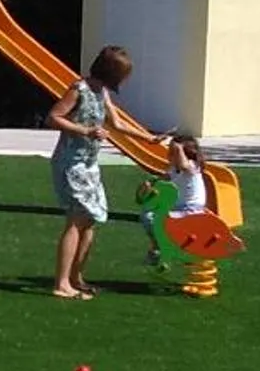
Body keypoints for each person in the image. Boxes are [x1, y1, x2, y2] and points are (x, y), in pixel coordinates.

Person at [47, 45, 145, 299]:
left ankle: (75, 277)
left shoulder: (102, 91)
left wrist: (148, 138)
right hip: (71, 163)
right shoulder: (78, 89)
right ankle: (61, 283)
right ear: (112, 72)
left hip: (89, 164)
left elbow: (117, 123)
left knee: (91, 219)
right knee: (77, 219)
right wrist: (86, 131)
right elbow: (54, 117)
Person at [138, 132, 209, 268]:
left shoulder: (193, 166)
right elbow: (163, 179)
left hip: (191, 210)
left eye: (173, 152)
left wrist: (178, 148)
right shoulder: (174, 169)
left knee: (154, 218)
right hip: (178, 208)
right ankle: (158, 245)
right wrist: (150, 184)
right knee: (148, 214)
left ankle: (160, 247)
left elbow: (183, 166)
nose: (169, 155)